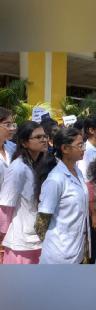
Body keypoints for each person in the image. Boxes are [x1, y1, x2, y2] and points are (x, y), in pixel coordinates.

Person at [34, 128, 90, 264]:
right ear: (65, 148)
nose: (83, 149)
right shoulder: (55, 179)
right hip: (58, 255)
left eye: (84, 145)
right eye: (80, 145)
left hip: (77, 250)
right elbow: (41, 223)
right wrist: (56, 243)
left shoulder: (77, 171)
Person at [0, 121, 48, 264]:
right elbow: (6, 206)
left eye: (44, 136)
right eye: (38, 137)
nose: (44, 140)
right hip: (20, 244)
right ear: (25, 143)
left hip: (39, 239)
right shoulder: (18, 168)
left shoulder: (41, 165)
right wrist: (2, 236)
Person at [76, 114, 96, 264]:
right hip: (93, 206)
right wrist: (94, 211)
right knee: (94, 243)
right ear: (91, 130)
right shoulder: (87, 152)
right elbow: (89, 183)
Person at [0, 107, 17, 262]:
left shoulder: (12, 148)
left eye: (13, 124)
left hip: (11, 209)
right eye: (7, 124)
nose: (12, 128)